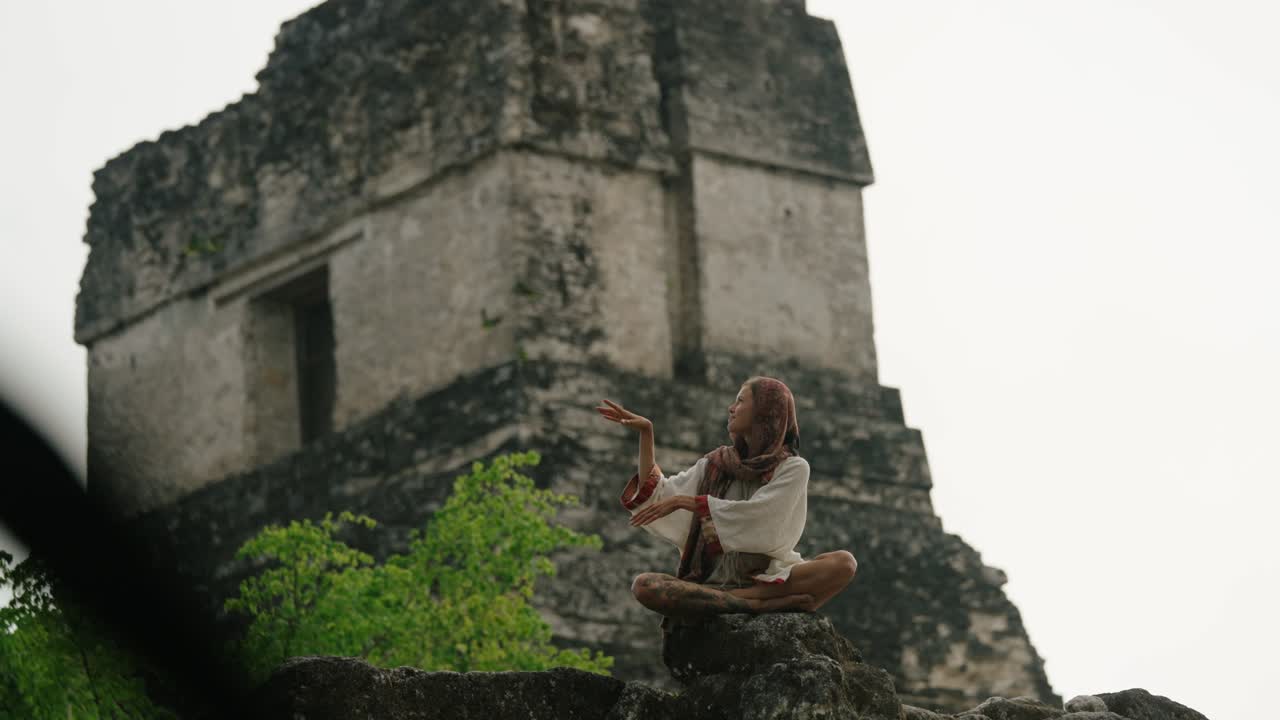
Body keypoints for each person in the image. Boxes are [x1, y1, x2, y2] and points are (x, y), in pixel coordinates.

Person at [594, 376, 858, 630]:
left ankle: (748, 598)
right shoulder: (715, 464)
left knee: (844, 564)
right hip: (711, 583)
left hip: (766, 580)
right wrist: (646, 434)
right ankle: (753, 605)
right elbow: (661, 493)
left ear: (764, 411)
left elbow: (763, 518)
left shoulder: (793, 468)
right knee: (645, 586)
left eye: (741, 401)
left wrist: (693, 503)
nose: (731, 408)